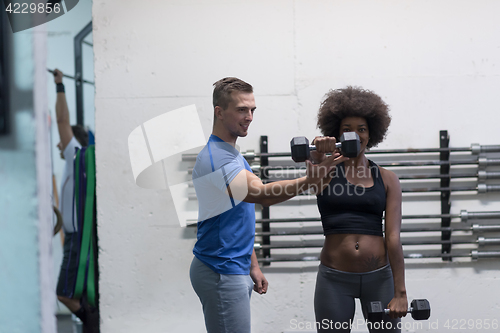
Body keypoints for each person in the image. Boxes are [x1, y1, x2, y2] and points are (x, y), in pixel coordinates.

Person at [190, 77, 348, 333]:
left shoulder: (231, 154)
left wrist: (252, 264)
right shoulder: (216, 158)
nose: (250, 116)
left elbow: (237, 216)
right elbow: (261, 195)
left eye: (252, 109)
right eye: (242, 109)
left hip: (232, 265)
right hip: (221, 270)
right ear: (219, 112)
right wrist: (310, 179)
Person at [312, 86, 408, 333]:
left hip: (379, 277)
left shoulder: (387, 179)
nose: (355, 134)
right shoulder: (325, 170)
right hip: (334, 278)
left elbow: (394, 238)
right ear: (336, 133)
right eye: (347, 129)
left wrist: (400, 292)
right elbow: (312, 181)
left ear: (371, 134)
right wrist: (318, 155)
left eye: (361, 129)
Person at [52, 69, 98, 333]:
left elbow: (61, 119)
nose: (59, 145)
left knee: (64, 294)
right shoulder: (75, 166)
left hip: (77, 240)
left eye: (63, 141)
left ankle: (94, 321)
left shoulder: (75, 155)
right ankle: (93, 318)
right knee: (71, 293)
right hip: (74, 237)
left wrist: (59, 85)